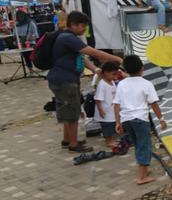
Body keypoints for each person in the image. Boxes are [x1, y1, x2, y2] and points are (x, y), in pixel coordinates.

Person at [48, 12, 123, 153]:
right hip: (65, 81)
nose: (84, 30)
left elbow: (81, 57)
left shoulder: (68, 37)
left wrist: (95, 69)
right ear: (73, 25)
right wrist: (118, 59)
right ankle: (74, 144)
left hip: (62, 79)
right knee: (73, 111)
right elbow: (95, 53)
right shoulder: (68, 38)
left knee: (66, 110)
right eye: (82, 26)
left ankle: (67, 140)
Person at [113, 55, 167, 185]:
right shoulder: (146, 84)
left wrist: (118, 122)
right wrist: (161, 119)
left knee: (138, 144)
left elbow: (116, 104)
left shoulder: (121, 84)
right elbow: (154, 103)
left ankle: (144, 170)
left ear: (125, 69)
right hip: (140, 120)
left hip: (127, 120)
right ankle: (142, 177)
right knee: (144, 145)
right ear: (142, 69)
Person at [94, 62, 122, 149]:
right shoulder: (102, 85)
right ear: (105, 73)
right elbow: (98, 100)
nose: (115, 77)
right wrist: (101, 110)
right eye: (113, 74)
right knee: (107, 127)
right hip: (105, 111)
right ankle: (108, 141)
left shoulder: (112, 82)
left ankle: (112, 139)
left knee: (112, 125)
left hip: (112, 110)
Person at [14, 9, 38, 73]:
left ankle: (39, 65)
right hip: (21, 44)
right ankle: (30, 69)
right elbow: (15, 35)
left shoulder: (31, 23)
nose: (19, 17)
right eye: (18, 16)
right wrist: (16, 40)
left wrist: (31, 38)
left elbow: (36, 35)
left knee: (31, 56)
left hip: (31, 43)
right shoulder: (16, 25)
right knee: (26, 57)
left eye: (21, 16)